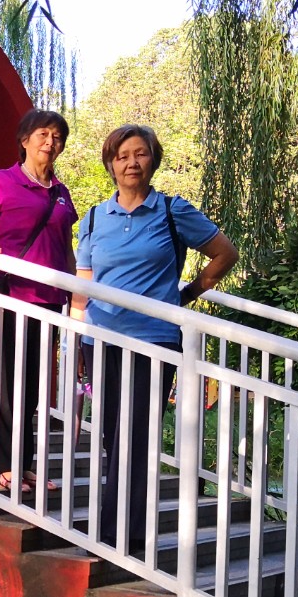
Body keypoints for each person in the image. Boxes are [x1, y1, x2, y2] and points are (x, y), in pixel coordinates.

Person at [70, 124, 237, 549]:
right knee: (112, 436)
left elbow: (225, 253)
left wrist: (188, 294)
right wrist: (74, 337)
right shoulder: (94, 218)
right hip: (101, 340)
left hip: (154, 341)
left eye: (140, 154)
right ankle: (121, 530)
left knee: (138, 435)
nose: (131, 163)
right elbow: (82, 284)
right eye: (122, 155)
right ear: (111, 164)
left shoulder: (171, 210)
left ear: (153, 160)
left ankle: (119, 535)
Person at [0, 108, 78, 494]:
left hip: (50, 300)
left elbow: (66, 250)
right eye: (43, 134)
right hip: (10, 296)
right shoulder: (1, 180)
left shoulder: (61, 193)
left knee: (33, 386)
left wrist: (78, 297)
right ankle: (4, 467)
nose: (50, 141)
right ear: (25, 140)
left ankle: (24, 466)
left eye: (57, 136)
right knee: (9, 384)